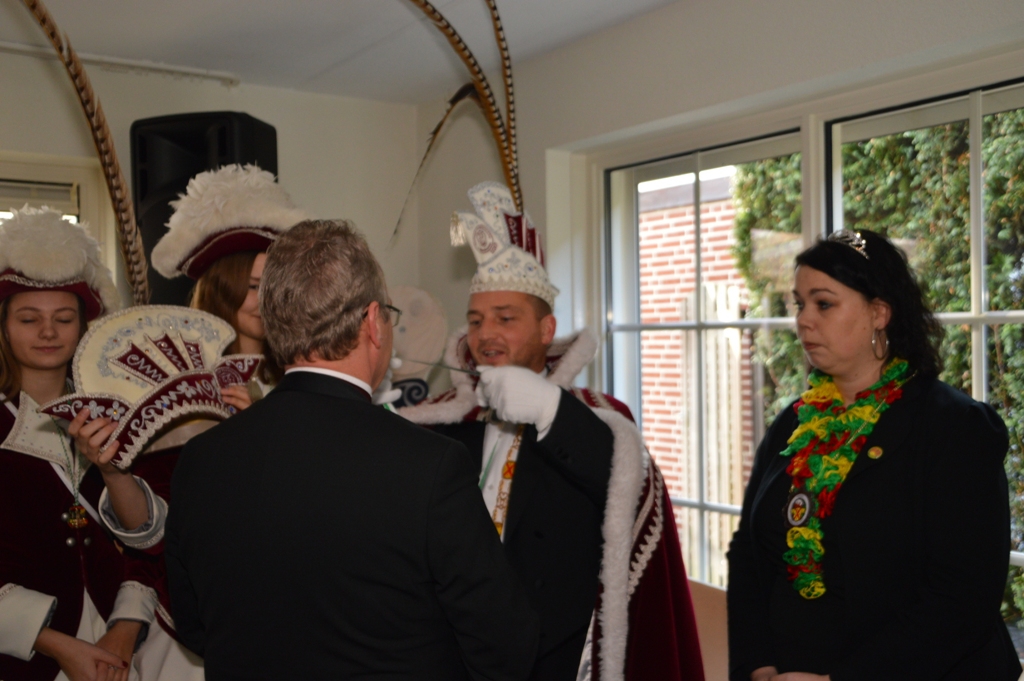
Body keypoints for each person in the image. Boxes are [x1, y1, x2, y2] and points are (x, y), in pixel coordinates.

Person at [165, 219, 539, 680]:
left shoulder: (201, 459)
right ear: (373, 322)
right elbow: (505, 643)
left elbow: (195, 625)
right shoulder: (429, 465)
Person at [399, 182, 704, 681]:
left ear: (546, 330)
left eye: (505, 318)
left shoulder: (596, 417)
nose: (486, 334)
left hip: (555, 660)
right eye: (475, 320)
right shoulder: (444, 422)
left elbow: (627, 486)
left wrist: (550, 411)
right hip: (457, 656)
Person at [727, 229, 1021, 680]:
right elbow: (748, 552)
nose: (804, 320)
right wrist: (757, 663)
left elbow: (962, 598)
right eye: (799, 304)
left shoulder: (955, 427)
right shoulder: (794, 422)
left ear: (880, 313)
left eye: (824, 304)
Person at [0, 207, 148, 681]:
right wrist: (54, 643)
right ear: (3, 327)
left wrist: (125, 628)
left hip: (123, 645)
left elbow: (151, 543)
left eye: (63, 318)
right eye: (29, 319)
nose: (48, 332)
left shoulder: (119, 414)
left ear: (84, 327)